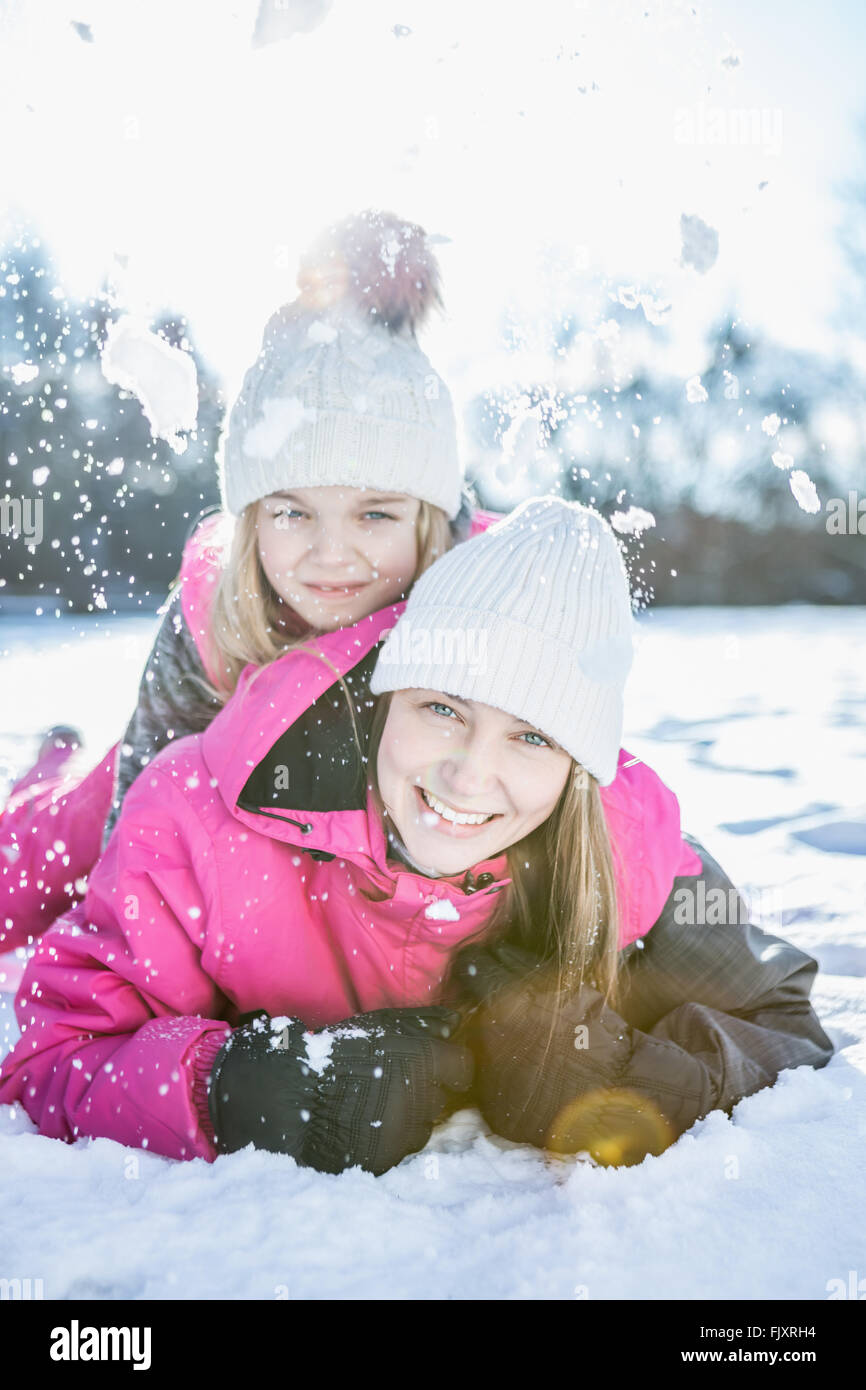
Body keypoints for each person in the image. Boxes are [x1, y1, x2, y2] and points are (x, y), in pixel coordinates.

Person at [0, 498, 833, 1173]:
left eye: (533, 736)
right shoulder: (193, 815)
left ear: (580, 765)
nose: (470, 775)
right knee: (35, 846)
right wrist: (256, 1085)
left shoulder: (625, 842)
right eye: (442, 708)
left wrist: (627, 1074)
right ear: (386, 697)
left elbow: (786, 1023)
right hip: (134, 789)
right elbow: (53, 1055)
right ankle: (53, 766)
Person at [0, 208, 489, 954]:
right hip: (131, 785)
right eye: (293, 514)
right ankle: (48, 769)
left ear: (429, 521)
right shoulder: (213, 610)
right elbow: (133, 844)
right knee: (30, 866)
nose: (333, 556)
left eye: (375, 516)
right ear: (250, 520)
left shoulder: (484, 602)